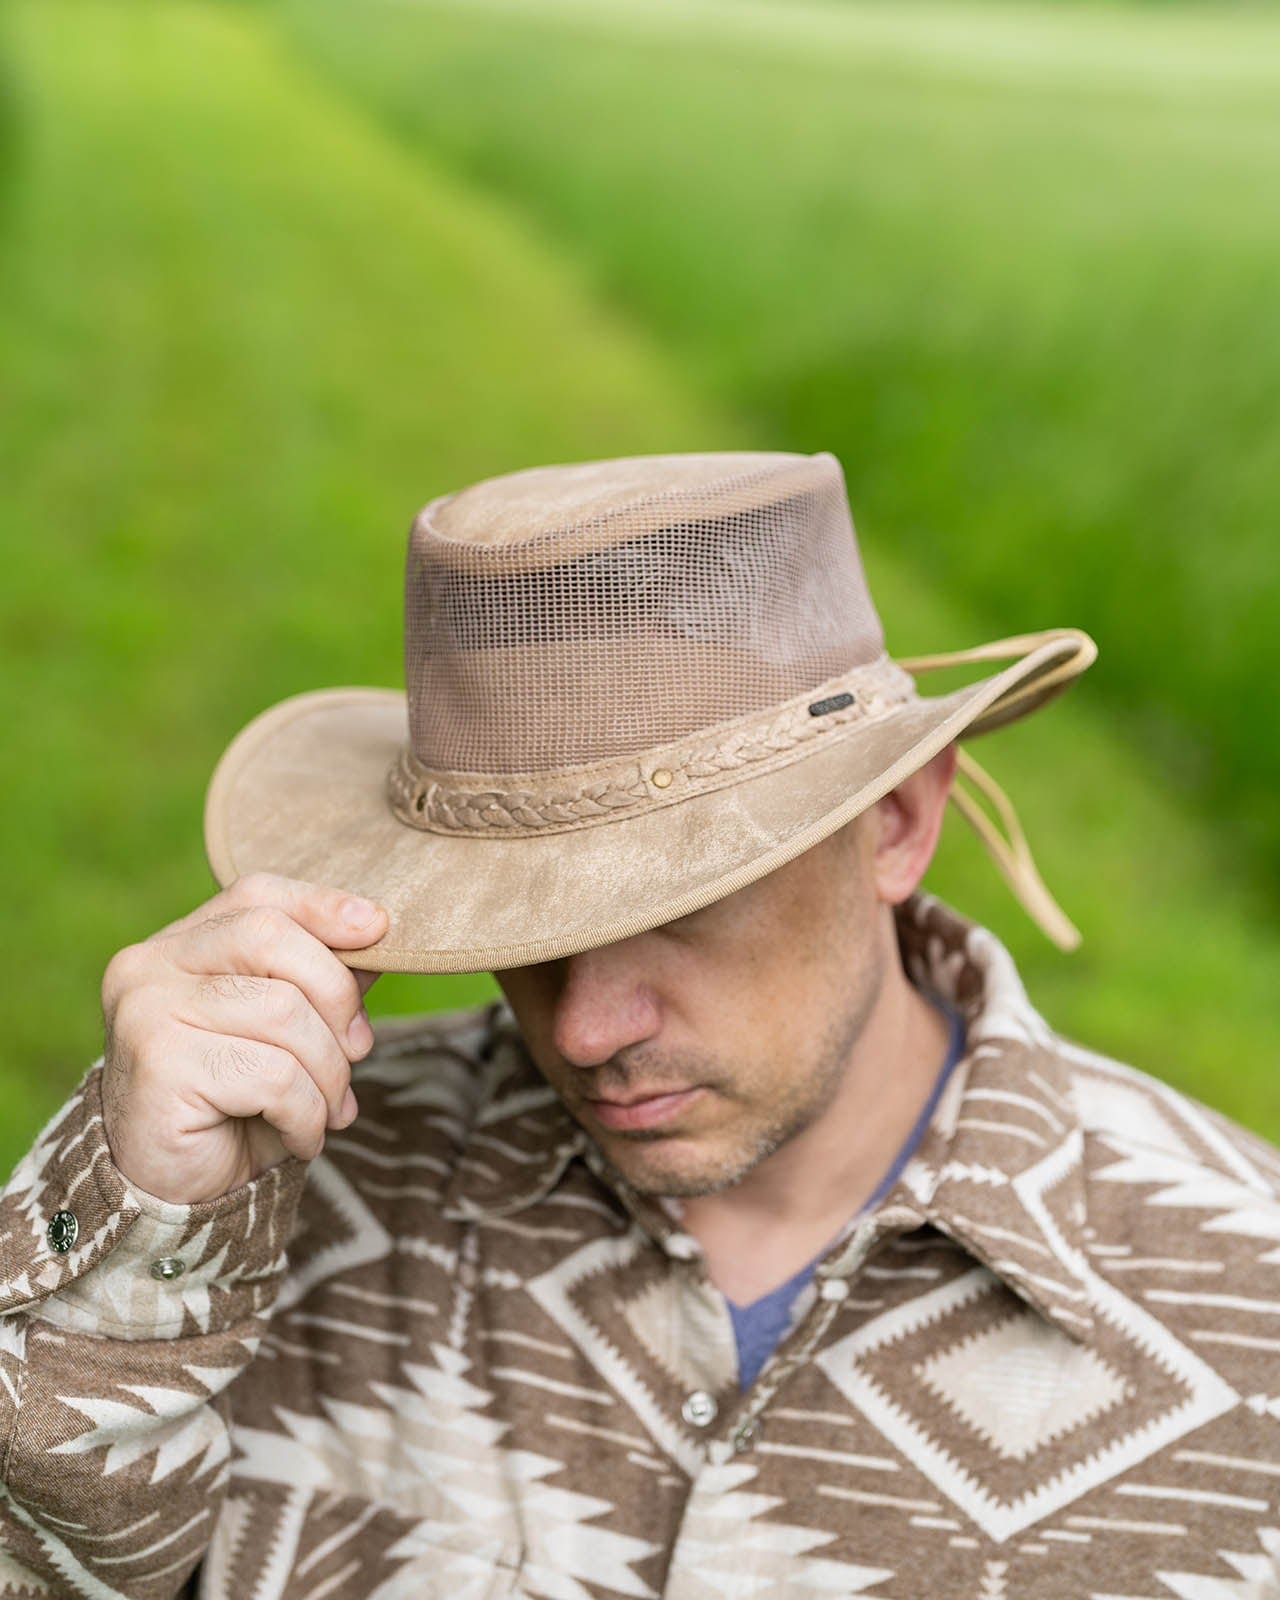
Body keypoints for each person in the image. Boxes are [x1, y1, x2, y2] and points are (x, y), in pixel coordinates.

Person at [2, 451, 1278, 1600]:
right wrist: (118, 1251)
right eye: (519, 926)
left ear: (893, 825)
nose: (592, 1025)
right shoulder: (272, 1197)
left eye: (690, 903)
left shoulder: (1246, 1319)